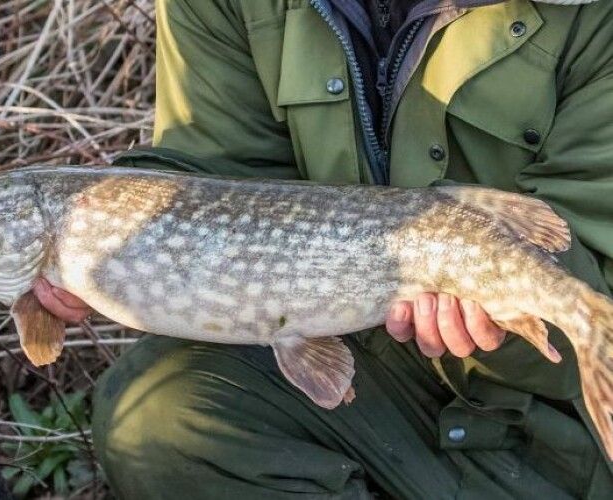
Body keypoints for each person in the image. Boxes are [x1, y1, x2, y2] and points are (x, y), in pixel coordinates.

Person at [37, 0, 613, 497]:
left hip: (548, 422)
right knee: (155, 415)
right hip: (371, 366)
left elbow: (591, 255)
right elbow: (221, 176)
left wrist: (506, 329)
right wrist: (126, 233)